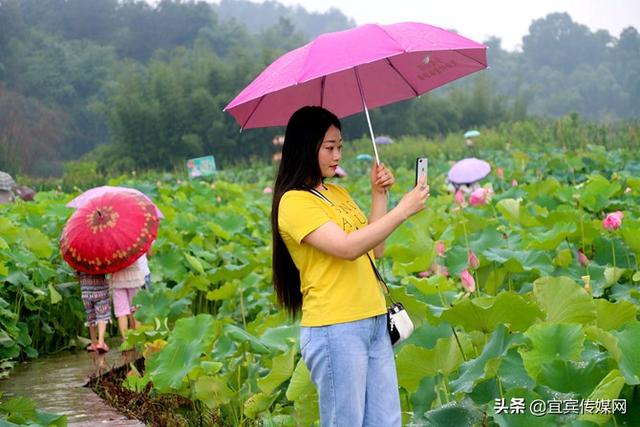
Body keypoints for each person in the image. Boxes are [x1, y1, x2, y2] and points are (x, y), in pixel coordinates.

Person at [271, 106, 429, 426]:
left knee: (386, 422)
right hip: (335, 328)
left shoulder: (337, 193)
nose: (337, 154)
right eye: (329, 147)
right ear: (305, 147)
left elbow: (375, 249)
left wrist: (379, 194)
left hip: (372, 321)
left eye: (339, 146)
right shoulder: (294, 202)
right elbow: (347, 248)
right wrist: (402, 210)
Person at [110, 258, 146, 340]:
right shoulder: (132, 245)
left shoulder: (112, 247)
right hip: (134, 278)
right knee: (136, 309)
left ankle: (126, 341)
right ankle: (138, 337)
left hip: (117, 279)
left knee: (121, 312)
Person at [77, 271, 111, 353]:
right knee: (102, 315)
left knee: (91, 316)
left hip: (86, 292)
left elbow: (76, 275)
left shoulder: (80, 260)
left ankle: (93, 342)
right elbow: (107, 270)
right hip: (101, 291)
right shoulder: (99, 259)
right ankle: (101, 342)